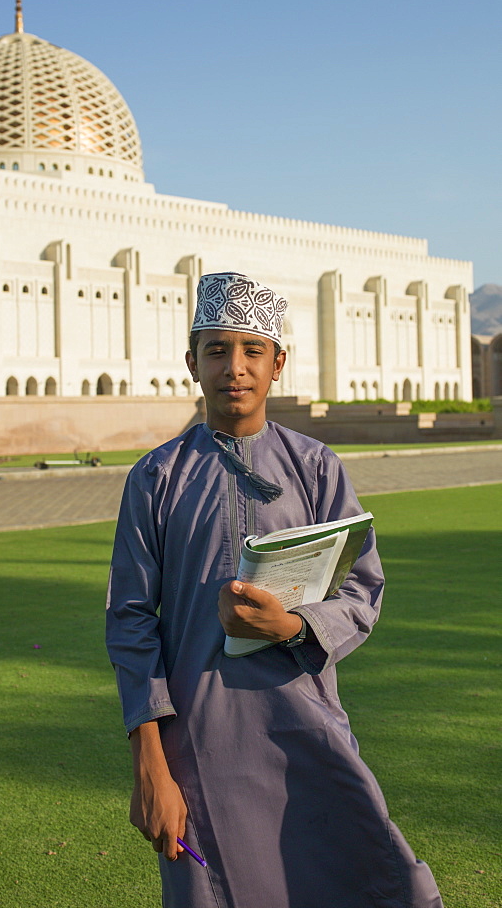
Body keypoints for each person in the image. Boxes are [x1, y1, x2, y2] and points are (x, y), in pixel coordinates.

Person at [106, 271, 443, 908]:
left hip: (306, 724)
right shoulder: (155, 478)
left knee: (368, 875)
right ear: (191, 363)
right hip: (198, 745)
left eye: (252, 349)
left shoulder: (314, 468)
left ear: (277, 362)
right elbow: (129, 622)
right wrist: (150, 763)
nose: (235, 367)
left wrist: (290, 627)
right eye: (216, 350)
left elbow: (362, 592)